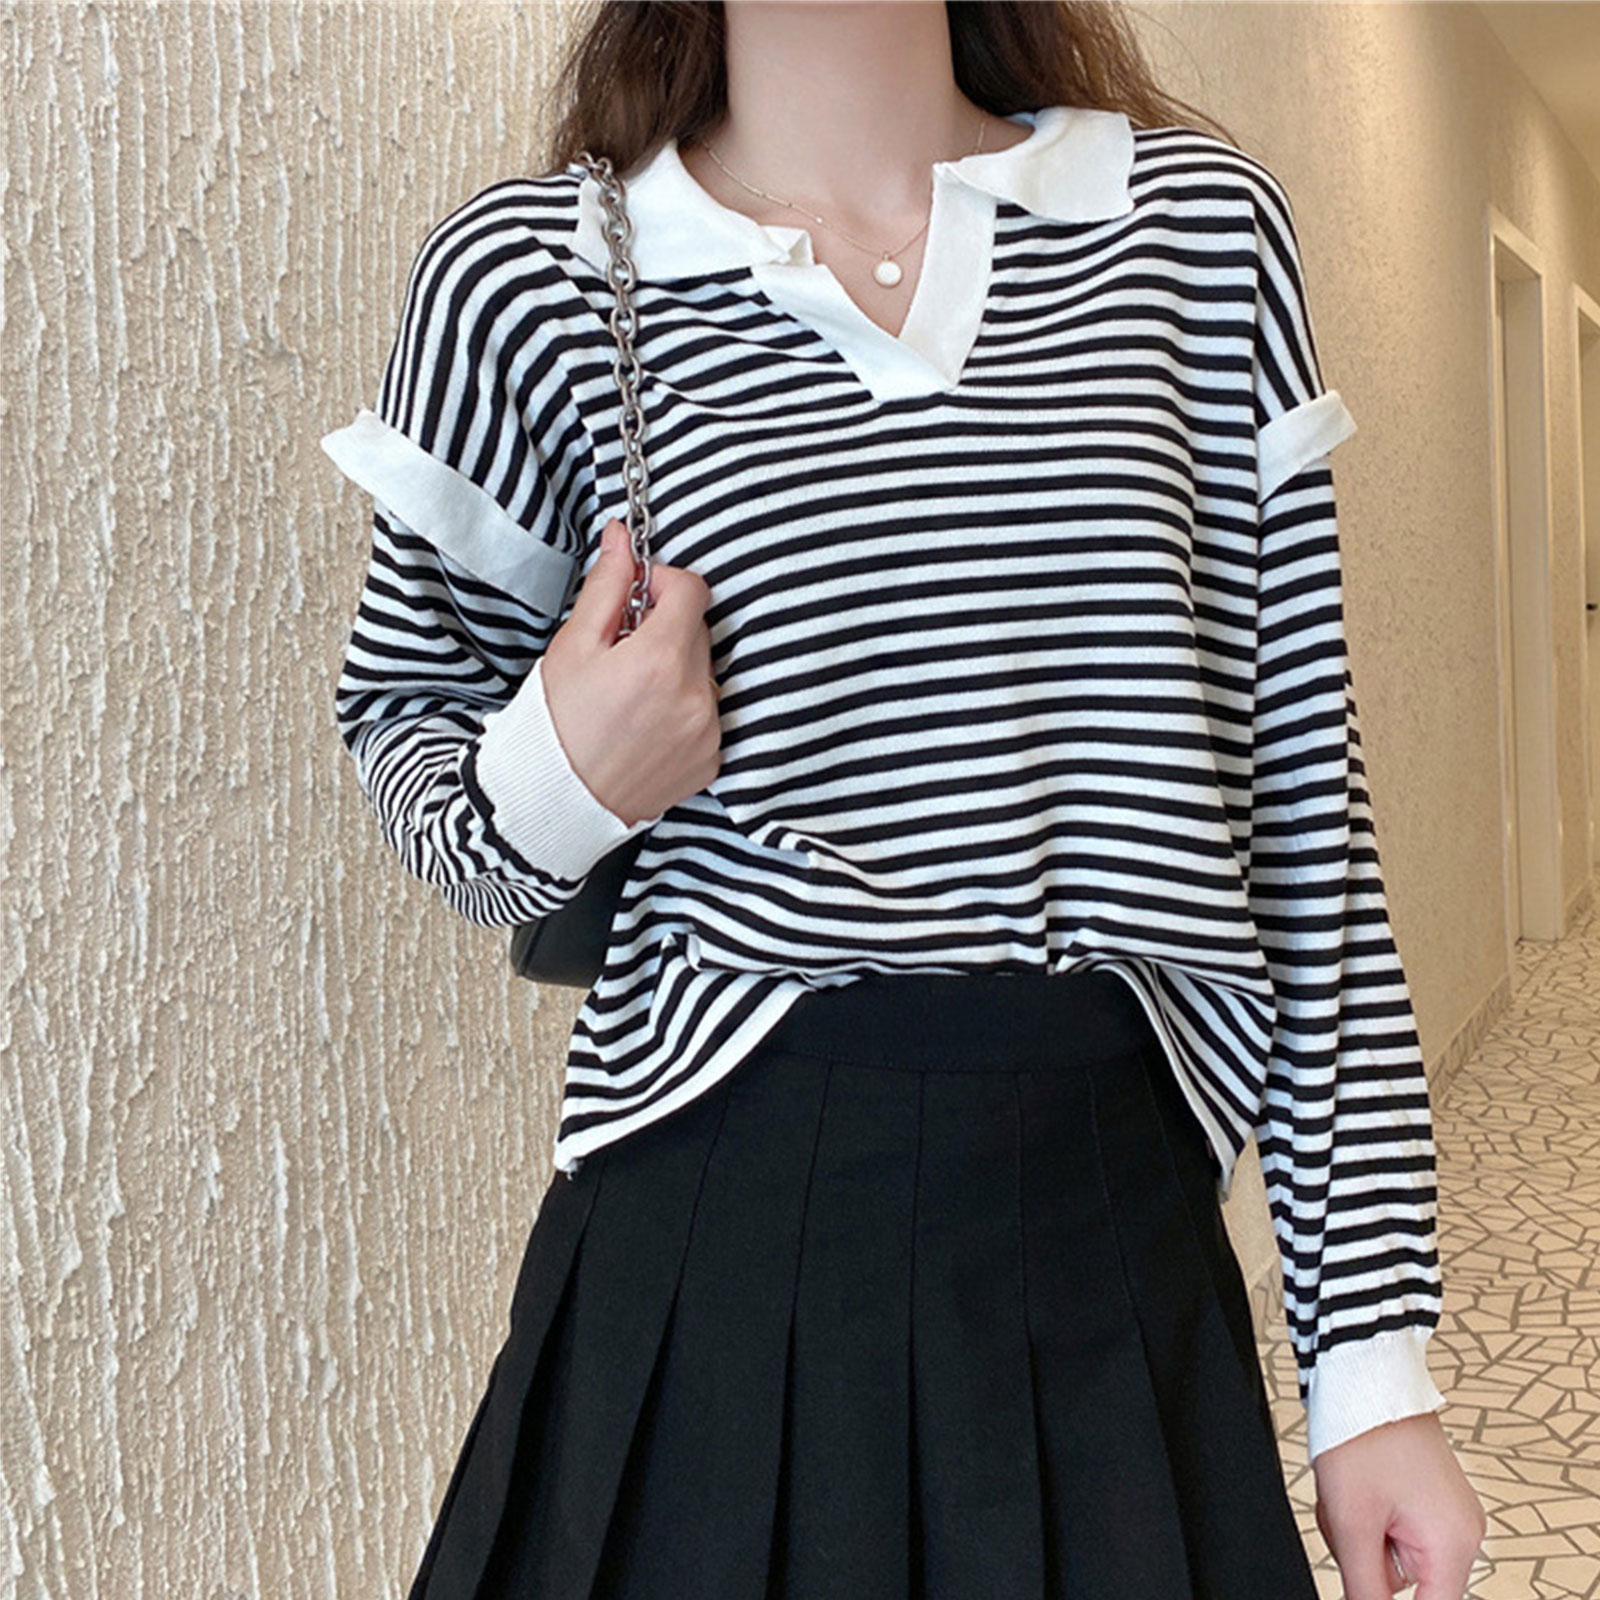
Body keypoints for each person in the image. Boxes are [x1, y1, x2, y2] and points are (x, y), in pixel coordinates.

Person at [321, 2, 1488, 1596]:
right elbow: (407, 730)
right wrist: (567, 777)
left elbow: (1305, 830)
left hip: (1108, 1215)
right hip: (714, 1229)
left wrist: (1369, 1366)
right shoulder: (534, 277)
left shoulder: (1198, 236)